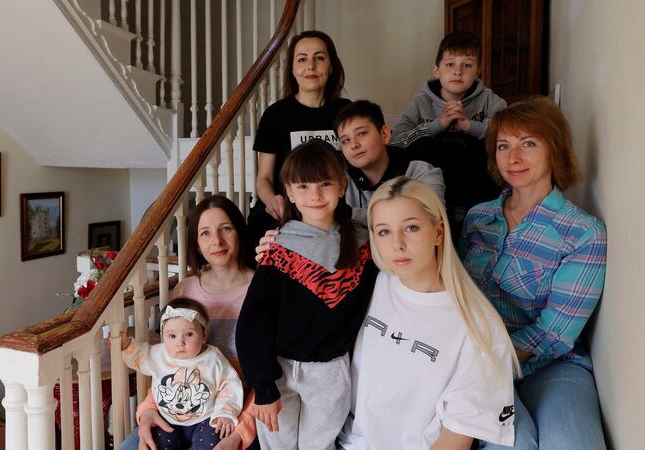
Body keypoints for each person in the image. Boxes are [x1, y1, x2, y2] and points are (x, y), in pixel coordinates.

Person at [460, 97, 608, 449]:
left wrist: (492, 355)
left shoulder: (583, 233)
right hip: (479, 364)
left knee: (572, 444)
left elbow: (554, 333)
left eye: (528, 144)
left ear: (553, 149)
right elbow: (460, 294)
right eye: (503, 146)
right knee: (512, 444)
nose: (514, 158)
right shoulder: (478, 218)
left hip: (551, 365)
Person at [336, 177, 519, 450]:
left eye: (411, 227)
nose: (397, 244)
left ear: (438, 232)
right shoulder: (371, 282)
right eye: (384, 231)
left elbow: (454, 440)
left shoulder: (480, 327)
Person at [236, 140, 378, 450]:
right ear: (288, 192)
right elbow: (254, 322)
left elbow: (390, 216)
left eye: (325, 184)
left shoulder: (364, 243)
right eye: (303, 186)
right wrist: (262, 386)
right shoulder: (279, 249)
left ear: (342, 186)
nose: (314, 195)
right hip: (280, 371)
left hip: (332, 371)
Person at [120, 195, 258, 450]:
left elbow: (270, 378)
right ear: (196, 242)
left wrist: (239, 433)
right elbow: (171, 362)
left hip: (234, 415)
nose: (216, 241)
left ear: (239, 231)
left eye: (225, 228)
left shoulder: (263, 289)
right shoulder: (186, 291)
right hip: (179, 413)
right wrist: (147, 411)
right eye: (205, 233)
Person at [390, 31, 505, 237]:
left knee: (482, 143)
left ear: (478, 72)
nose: (458, 72)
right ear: (437, 70)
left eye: (467, 65)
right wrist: (438, 125)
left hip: (475, 182)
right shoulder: (420, 102)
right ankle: (435, 217)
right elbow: (397, 139)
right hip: (436, 181)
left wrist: (470, 126)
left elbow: (508, 130)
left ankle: (482, 219)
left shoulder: (488, 99)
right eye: (450, 64)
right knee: (425, 144)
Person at [248, 30, 350, 248]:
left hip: (332, 205)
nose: (310, 66)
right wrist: (271, 199)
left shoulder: (346, 112)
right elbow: (264, 178)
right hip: (288, 207)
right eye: (302, 59)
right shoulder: (275, 115)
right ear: (293, 69)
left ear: (331, 66)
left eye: (319, 58)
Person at [116, 297, 243, 449]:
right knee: (155, 444)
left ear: (204, 334)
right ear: (163, 336)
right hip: (166, 419)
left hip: (205, 419)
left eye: (189, 334)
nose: (180, 342)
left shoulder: (213, 358)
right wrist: (125, 345)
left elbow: (230, 385)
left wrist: (225, 413)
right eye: (172, 336)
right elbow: (138, 356)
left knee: (213, 441)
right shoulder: (158, 354)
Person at [335, 100, 445, 217]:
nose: (353, 145)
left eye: (361, 133)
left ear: (385, 134)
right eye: (346, 140)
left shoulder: (422, 173)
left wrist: (351, 214)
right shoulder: (340, 181)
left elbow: (431, 217)